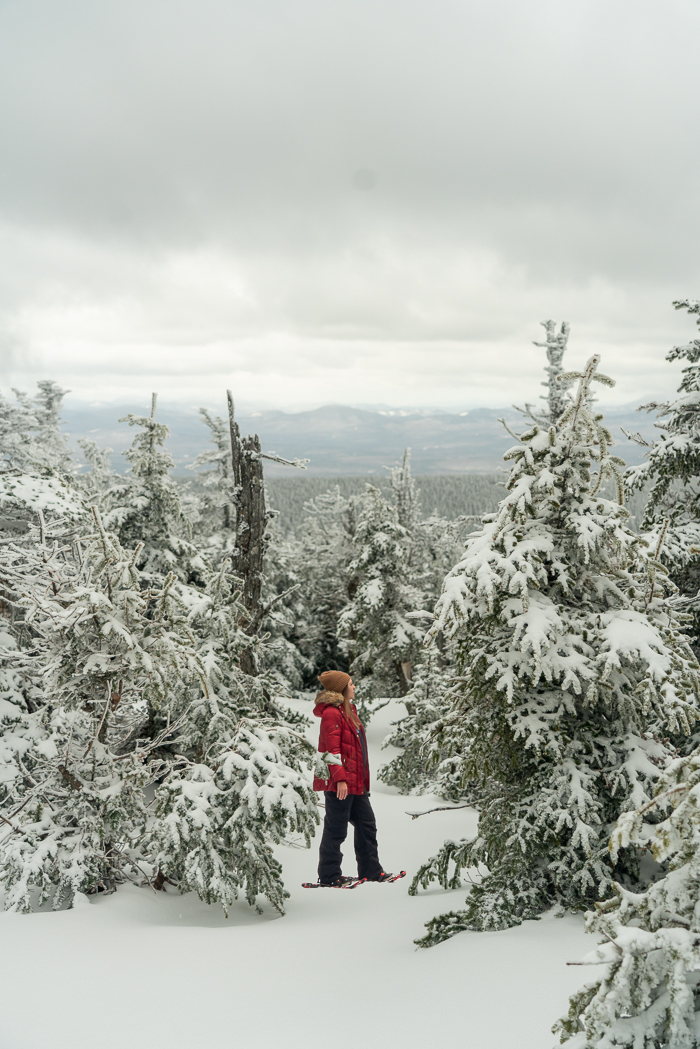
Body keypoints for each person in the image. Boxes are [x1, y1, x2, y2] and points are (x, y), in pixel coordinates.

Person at [312, 670, 394, 886]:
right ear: (341, 689)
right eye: (350, 683)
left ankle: (371, 871)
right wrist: (339, 779)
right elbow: (332, 750)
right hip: (339, 783)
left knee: (367, 824)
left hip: (354, 783)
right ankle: (329, 876)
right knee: (336, 829)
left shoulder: (349, 711)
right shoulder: (332, 713)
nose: (354, 686)